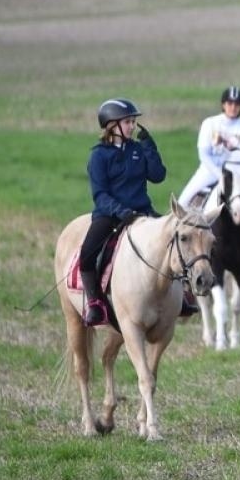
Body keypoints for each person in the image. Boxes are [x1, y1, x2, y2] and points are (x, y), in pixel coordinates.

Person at [80, 98, 188, 326]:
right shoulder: (98, 156)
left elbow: (158, 175)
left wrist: (149, 146)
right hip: (109, 214)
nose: (132, 126)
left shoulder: (137, 150)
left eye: (132, 122)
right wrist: (120, 211)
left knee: (176, 239)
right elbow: (100, 194)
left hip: (142, 211)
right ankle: (95, 303)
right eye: (127, 122)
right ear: (112, 126)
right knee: (87, 255)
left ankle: (182, 297)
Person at [177, 86, 240, 263]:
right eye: (229, 103)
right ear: (223, 104)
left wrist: (230, 176)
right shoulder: (210, 123)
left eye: (237, 104)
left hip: (237, 176)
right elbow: (204, 154)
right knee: (182, 203)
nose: (233, 107)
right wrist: (219, 175)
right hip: (208, 171)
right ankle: (174, 246)